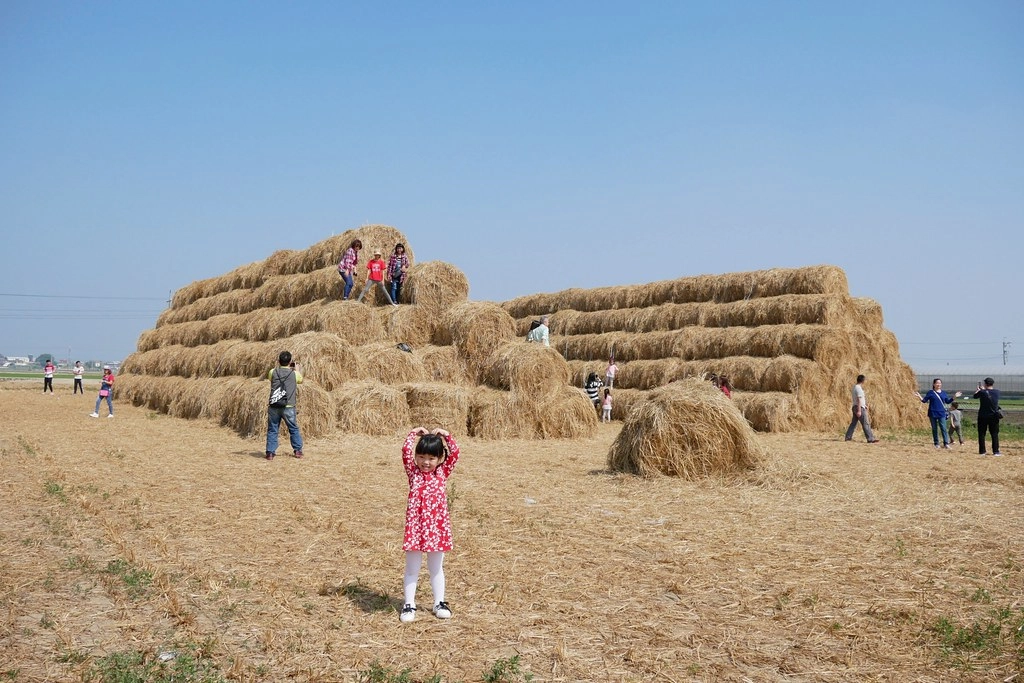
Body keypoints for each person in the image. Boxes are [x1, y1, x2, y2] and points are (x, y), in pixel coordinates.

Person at [400, 426, 461, 623]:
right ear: (416, 457)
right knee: (412, 569)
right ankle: (409, 604)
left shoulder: (442, 473)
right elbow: (405, 452)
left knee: (436, 568)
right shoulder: (413, 472)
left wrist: (447, 436)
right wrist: (413, 434)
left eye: (431, 458)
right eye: (422, 457)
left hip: (437, 529)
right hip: (416, 528)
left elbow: (455, 453)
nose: (426, 462)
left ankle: (439, 602)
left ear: (439, 459)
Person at [266, 351, 303, 460]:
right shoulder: (294, 374)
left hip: (274, 405)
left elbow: (270, 379)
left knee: (272, 429)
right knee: (293, 428)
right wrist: (297, 369)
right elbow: (300, 380)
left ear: (279, 361)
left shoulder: (273, 372)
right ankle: (297, 451)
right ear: (290, 361)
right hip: (289, 406)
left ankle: (270, 453)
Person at [914, 378, 961, 449]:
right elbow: (924, 401)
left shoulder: (943, 393)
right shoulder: (930, 392)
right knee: (934, 429)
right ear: (934, 384)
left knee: (943, 428)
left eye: (940, 383)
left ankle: (946, 443)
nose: (938, 384)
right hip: (932, 413)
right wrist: (919, 396)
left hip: (941, 413)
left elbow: (948, 401)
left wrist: (954, 397)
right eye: (937, 383)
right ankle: (936, 443)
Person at [844, 374, 879, 443]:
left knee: (853, 423)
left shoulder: (854, 387)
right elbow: (859, 399)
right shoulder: (858, 388)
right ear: (863, 381)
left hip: (855, 406)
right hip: (859, 408)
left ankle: (848, 437)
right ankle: (870, 439)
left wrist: (864, 405)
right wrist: (859, 410)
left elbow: (858, 399)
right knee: (865, 423)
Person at [973, 377, 1002, 457]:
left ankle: (982, 451)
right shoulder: (997, 392)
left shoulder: (982, 392)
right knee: (994, 434)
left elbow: (975, 396)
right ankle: (996, 451)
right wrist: (983, 390)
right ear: (992, 384)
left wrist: (979, 390)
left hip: (983, 416)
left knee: (982, 434)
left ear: (985, 384)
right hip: (994, 416)